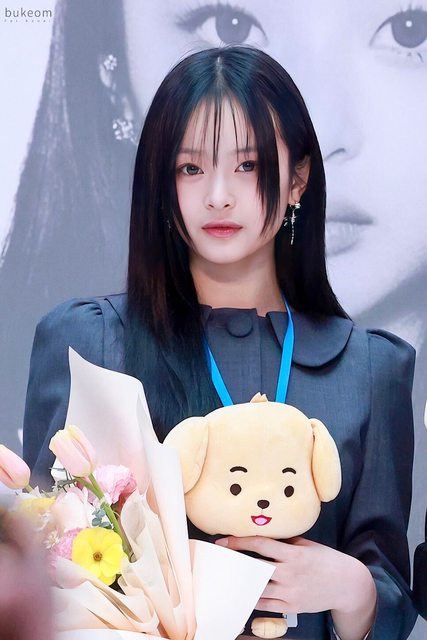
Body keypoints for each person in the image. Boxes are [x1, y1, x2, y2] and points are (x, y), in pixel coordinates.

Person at [23, 46, 416, 640]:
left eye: (248, 165)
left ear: (298, 179)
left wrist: (351, 587)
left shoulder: (368, 368)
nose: (218, 195)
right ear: (162, 184)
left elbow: (389, 593)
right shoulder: (90, 340)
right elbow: (40, 563)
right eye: (190, 168)